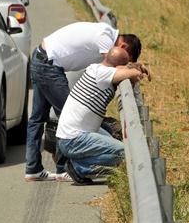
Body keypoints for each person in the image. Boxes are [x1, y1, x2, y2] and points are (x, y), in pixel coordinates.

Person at [24, 21, 146, 182]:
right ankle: (64, 168)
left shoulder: (106, 32)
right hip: (49, 64)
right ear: (122, 47)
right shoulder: (105, 39)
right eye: (126, 61)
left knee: (37, 118)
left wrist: (133, 66)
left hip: (42, 58)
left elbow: (114, 66)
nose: (126, 65)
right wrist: (133, 69)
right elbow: (113, 68)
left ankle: (33, 169)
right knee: (66, 113)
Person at [56, 47, 146, 185]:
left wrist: (133, 66)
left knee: (115, 144)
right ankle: (79, 167)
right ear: (119, 66)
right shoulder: (104, 74)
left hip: (71, 134)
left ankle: (80, 164)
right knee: (123, 152)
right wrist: (136, 70)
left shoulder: (96, 68)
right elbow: (132, 74)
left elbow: (124, 70)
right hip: (73, 139)